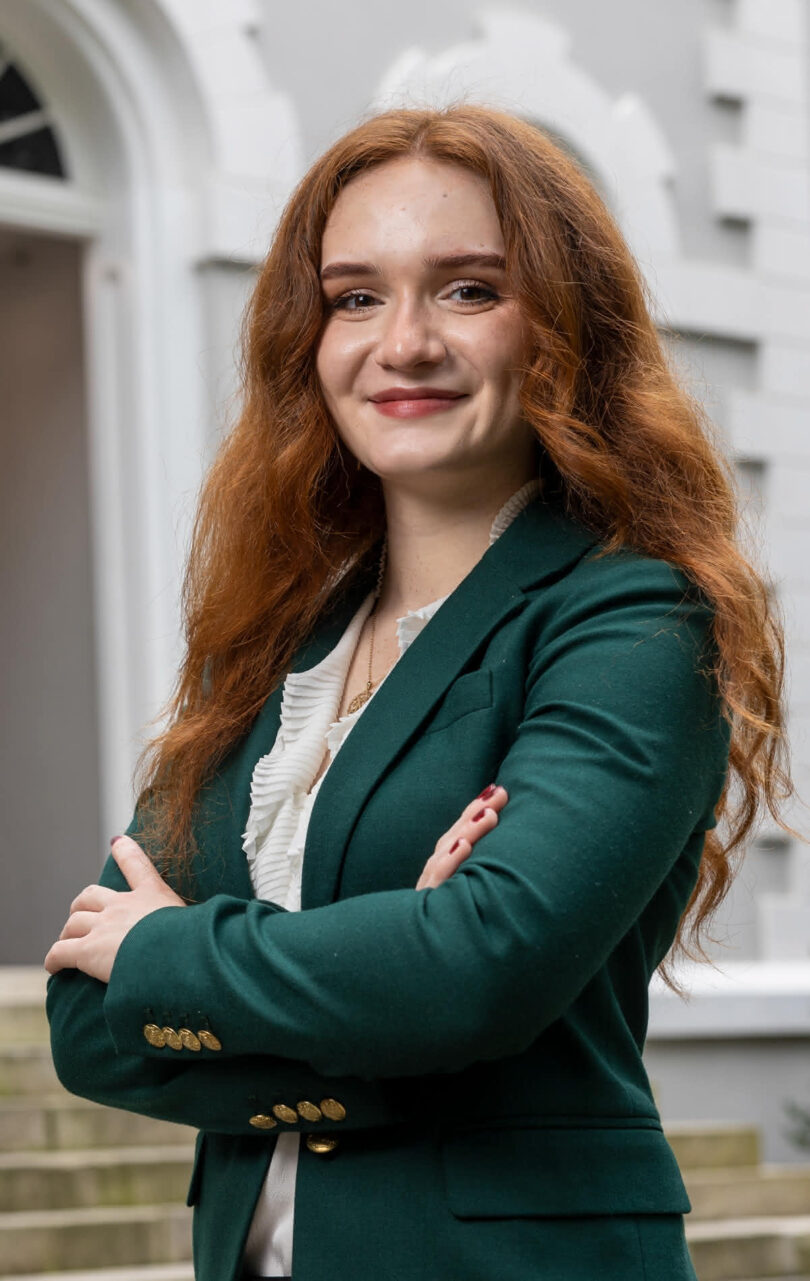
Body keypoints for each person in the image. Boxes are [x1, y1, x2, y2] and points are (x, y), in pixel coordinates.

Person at [45, 104, 796, 1281]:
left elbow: (478, 967)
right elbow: (86, 1033)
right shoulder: (272, 645)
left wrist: (168, 953)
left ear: (563, 330)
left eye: (467, 290)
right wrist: (389, 990)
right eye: (354, 297)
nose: (402, 343)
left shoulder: (634, 618)